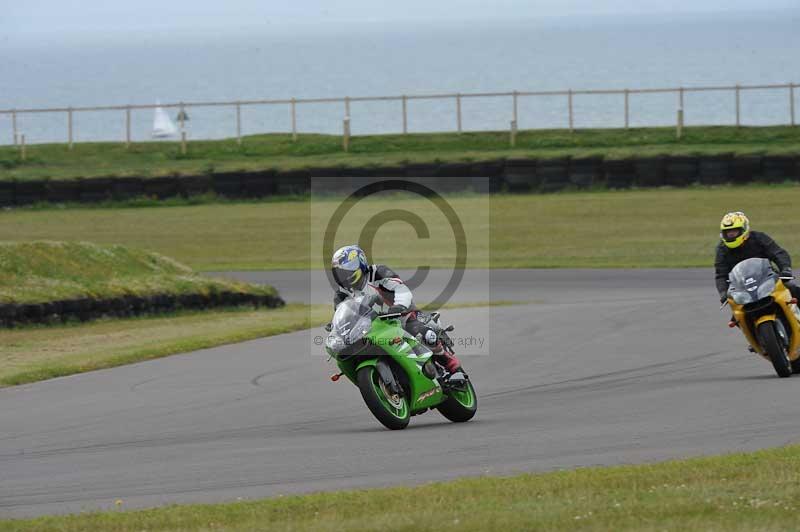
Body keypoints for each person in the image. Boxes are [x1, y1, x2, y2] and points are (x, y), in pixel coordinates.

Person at [330, 244, 462, 374]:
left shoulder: (378, 273)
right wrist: (336, 328)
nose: (344, 277)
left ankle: (448, 361)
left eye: (346, 272)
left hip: (401, 316)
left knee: (425, 335)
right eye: (340, 274)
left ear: (360, 264)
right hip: (372, 327)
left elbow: (401, 289)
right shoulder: (342, 294)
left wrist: (398, 306)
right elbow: (342, 315)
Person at [715, 211, 800, 303]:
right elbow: (721, 275)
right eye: (728, 232)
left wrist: (786, 269)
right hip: (742, 290)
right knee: (737, 315)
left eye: (734, 231)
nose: (731, 235)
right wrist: (723, 293)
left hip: (768, 280)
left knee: (793, 289)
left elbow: (778, 254)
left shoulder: (759, 238)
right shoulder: (722, 250)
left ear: (744, 229)